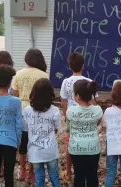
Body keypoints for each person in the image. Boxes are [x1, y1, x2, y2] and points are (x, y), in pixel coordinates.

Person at [12, 48, 49, 182]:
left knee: (23, 144)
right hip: (38, 111)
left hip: (22, 110)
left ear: (26, 59)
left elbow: (15, 95)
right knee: (35, 142)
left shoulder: (18, 74)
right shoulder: (44, 75)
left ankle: (22, 170)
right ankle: (31, 173)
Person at [60, 52, 96, 183]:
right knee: (87, 139)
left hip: (72, 117)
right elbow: (93, 102)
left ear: (69, 66)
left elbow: (63, 102)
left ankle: (69, 172)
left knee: (71, 144)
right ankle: (87, 170)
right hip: (87, 116)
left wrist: (66, 116)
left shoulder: (66, 82)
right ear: (83, 66)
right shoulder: (88, 81)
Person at [23, 78, 61, 187]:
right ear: (51, 93)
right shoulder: (54, 110)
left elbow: (25, 129)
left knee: (39, 177)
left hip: (35, 150)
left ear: (33, 92)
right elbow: (57, 128)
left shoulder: (27, 111)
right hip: (50, 149)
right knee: (54, 175)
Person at [67, 80, 103, 187]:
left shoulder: (70, 111)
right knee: (92, 175)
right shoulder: (98, 110)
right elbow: (97, 123)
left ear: (77, 96)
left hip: (75, 148)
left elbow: (69, 127)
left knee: (78, 175)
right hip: (93, 148)